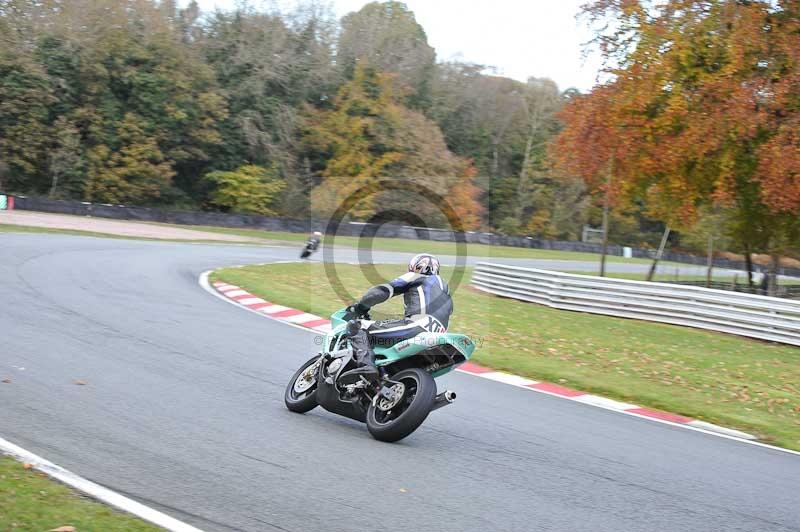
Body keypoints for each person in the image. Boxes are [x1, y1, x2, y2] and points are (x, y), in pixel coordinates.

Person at [343, 253, 453, 383]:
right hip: (439, 337)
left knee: (356, 326)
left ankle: (367, 367)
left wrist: (361, 307)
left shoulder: (416, 276)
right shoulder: (446, 291)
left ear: (415, 266)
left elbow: (381, 292)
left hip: (416, 327)